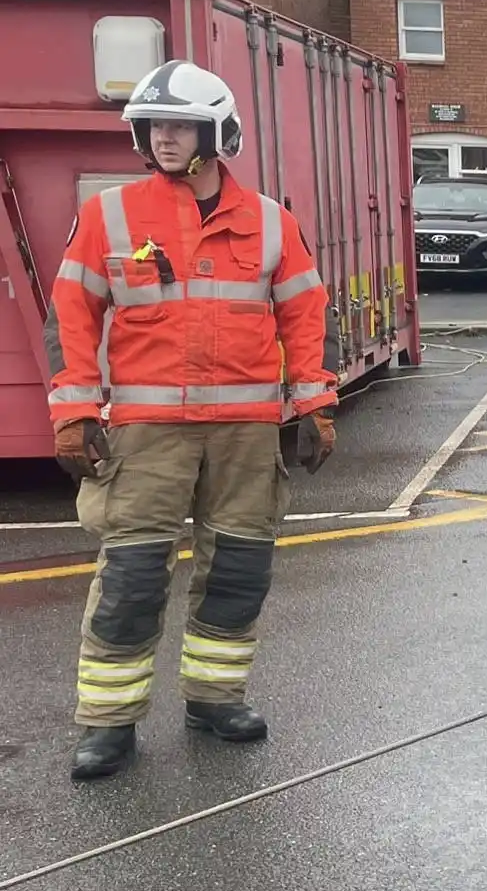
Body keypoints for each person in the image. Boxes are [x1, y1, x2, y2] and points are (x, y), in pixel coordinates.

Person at [45, 60, 340, 781]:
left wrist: (316, 403)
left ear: (218, 133)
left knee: (239, 569)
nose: (164, 138)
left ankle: (214, 698)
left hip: (243, 435)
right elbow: (72, 320)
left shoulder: (271, 222)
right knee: (134, 576)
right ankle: (108, 725)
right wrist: (76, 411)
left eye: (180, 125)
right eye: (155, 126)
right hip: (146, 438)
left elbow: (305, 315)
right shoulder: (114, 214)